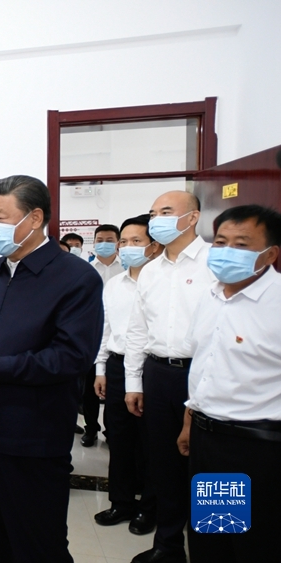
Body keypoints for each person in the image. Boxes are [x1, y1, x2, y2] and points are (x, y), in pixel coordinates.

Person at [0, 175, 104, 563]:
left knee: (37, 545)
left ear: (34, 218)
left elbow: (72, 356)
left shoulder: (76, 278)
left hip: (30, 438)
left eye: (0, 216)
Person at [177, 204, 281, 562]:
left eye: (241, 244)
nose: (226, 252)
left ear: (270, 254)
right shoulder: (212, 296)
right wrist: (190, 419)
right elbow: (205, 366)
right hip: (210, 439)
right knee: (214, 536)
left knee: (257, 545)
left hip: (258, 447)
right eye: (221, 242)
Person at [124, 191, 213, 563]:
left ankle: (213, 550)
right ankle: (168, 545)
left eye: (165, 211)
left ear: (192, 218)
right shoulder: (151, 270)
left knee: (210, 468)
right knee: (164, 464)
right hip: (159, 374)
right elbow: (137, 330)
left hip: (205, 373)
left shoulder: (213, 262)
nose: (155, 219)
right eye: (152, 213)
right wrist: (133, 382)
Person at [92, 215, 163, 534]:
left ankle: (149, 507)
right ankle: (121, 502)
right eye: (124, 241)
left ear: (153, 246)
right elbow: (105, 329)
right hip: (118, 367)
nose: (127, 246)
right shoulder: (114, 284)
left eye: (137, 241)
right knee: (119, 438)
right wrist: (101, 369)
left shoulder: (161, 282)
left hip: (152, 368)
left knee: (151, 442)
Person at [79, 223, 125, 447]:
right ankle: (91, 428)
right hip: (90, 337)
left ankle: (111, 429)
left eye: (109, 240)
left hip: (117, 337)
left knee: (113, 388)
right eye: (100, 240)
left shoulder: (126, 269)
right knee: (89, 388)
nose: (104, 244)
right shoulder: (85, 270)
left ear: (117, 243)